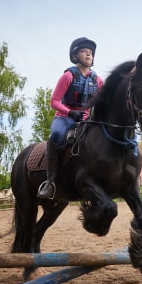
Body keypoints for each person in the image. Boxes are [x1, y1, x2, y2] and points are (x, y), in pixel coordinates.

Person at [37, 37, 104, 199]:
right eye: (84, 51)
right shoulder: (68, 76)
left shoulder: (98, 80)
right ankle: (50, 182)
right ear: (75, 56)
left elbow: (104, 101)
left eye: (91, 52)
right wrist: (70, 112)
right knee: (57, 136)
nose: (88, 54)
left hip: (86, 119)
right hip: (65, 118)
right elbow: (54, 101)